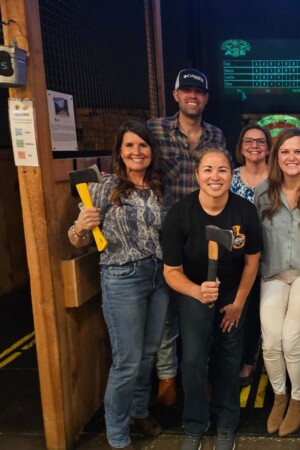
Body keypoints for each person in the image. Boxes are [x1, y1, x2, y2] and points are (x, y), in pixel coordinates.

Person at [68, 121, 170, 449]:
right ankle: (117, 434)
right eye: (129, 145)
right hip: (122, 277)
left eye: (143, 145)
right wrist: (81, 227)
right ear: (120, 151)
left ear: (151, 150)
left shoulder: (159, 187)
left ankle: (140, 411)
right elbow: (77, 240)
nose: (137, 151)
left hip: (159, 277)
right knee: (127, 360)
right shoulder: (103, 186)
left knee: (148, 354)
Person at [161, 147, 261, 450]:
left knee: (229, 357)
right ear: (197, 174)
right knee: (193, 360)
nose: (215, 176)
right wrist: (197, 291)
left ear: (231, 174)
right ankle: (195, 425)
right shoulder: (180, 214)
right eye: (208, 169)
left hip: (232, 290)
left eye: (222, 170)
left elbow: (252, 261)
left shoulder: (245, 211)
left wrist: (238, 304)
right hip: (193, 288)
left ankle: (226, 423)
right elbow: (171, 272)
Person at [147, 68, 226, 408]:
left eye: (200, 91)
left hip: (202, 233)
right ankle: (167, 376)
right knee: (167, 308)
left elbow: (219, 180)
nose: (193, 96)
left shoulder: (216, 135)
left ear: (206, 98)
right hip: (165, 231)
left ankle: (198, 372)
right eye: (187, 90)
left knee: (201, 308)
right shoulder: (155, 130)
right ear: (176, 95)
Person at [254, 128, 300, 437]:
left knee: (291, 339)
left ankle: (299, 399)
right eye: (285, 151)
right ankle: (279, 397)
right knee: (270, 342)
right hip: (273, 273)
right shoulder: (262, 192)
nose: (291, 157)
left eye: (298, 151)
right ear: (276, 157)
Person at [230, 123, 271, 387]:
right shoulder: (230, 176)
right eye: (248, 140)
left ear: (268, 148)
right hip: (237, 258)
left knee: (259, 311)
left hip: (272, 254)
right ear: (240, 146)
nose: (254, 145)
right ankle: (238, 360)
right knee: (239, 308)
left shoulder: (279, 175)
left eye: (260, 141)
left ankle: (252, 360)